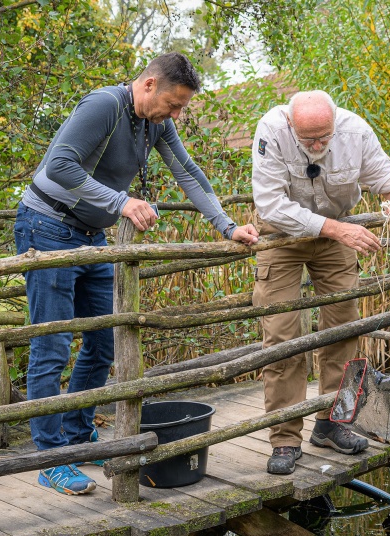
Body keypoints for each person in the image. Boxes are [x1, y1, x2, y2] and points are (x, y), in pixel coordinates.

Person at [15, 52, 259, 495]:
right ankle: (50, 459)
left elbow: (187, 171)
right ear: (148, 85)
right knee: (51, 345)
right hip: (46, 226)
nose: (177, 115)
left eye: (182, 107)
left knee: (105, 341)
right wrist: (121, 202)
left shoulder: (156, 123)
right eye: (174, 103)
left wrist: (226, 225)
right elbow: (61, 167)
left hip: (92, 234)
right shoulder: (103, 106)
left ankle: (77, 436)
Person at [251, 90, 390, 474]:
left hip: (337, 234)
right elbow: (271, 205)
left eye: (323, 138)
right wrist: (336, 229)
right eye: (307, 140)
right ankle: (285, 439)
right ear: (291, 125)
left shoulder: (355, 131)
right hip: (281, 236)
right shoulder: (271, 131)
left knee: (343, 328)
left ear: (334, 123)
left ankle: (332, 423)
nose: (316, 146)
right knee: (281, 337)